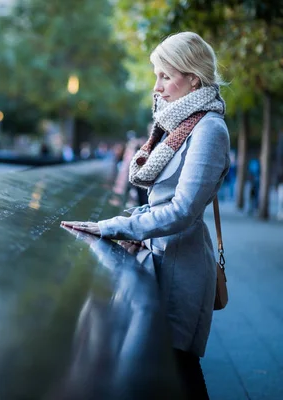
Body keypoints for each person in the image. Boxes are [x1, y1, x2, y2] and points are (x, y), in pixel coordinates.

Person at [62, 32, 230, 400]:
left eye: (165, 76)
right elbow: (161, 202)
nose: (157, 87)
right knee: (161, 370)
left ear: (193, 79)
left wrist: (112, 226)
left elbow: (182, 210)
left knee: (179, 367)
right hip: (157, 259)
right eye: (157, 75)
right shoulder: (178, 125)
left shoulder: (208, 130)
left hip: (181, 268)